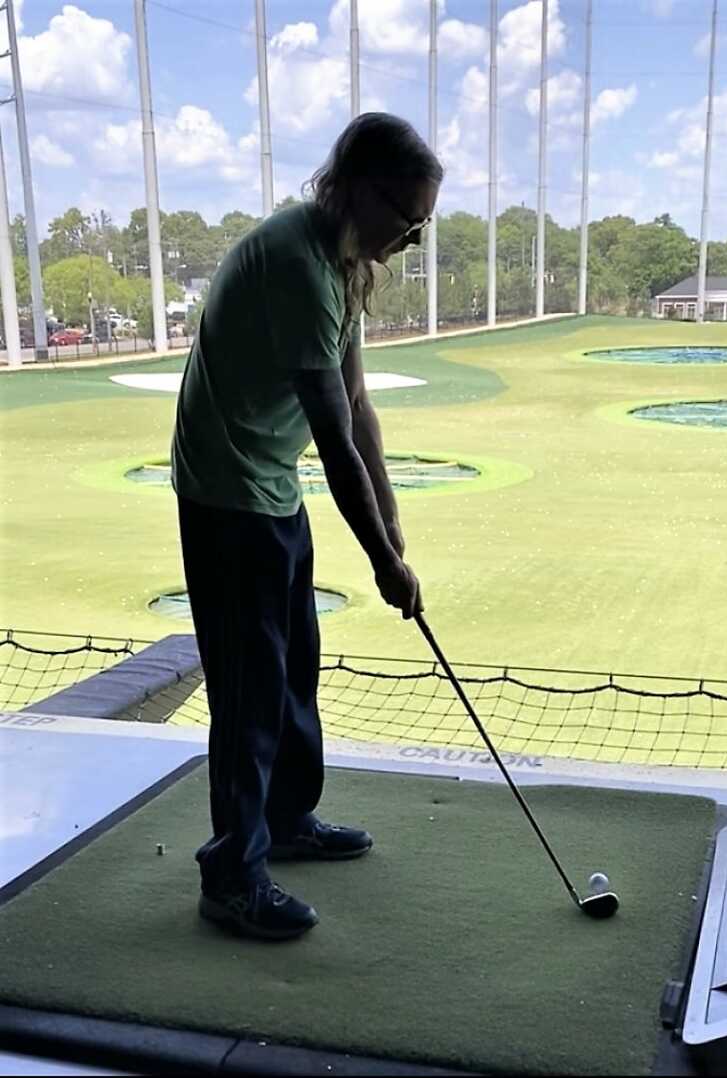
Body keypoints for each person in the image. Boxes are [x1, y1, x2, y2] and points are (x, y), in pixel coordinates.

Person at [171, 113, 442, 941]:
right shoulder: (296, 262)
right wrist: (382, 566)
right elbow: (332, 438)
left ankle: (286, 822)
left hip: (268, 484)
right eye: (408, 217)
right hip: (227, 491)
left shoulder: (342, 260)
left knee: (294, 673)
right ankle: (232, 876)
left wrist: (393, 533)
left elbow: (359, 408)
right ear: (360, 186)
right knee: (251, 693)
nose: (413, 238)